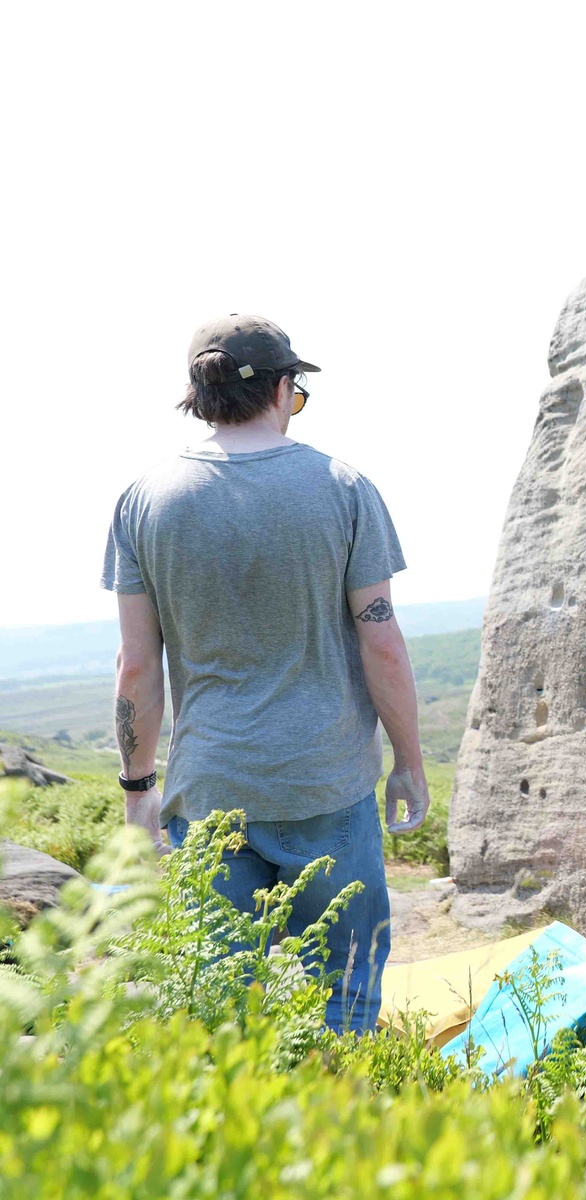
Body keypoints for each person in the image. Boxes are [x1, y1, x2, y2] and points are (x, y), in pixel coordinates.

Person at [102, 314, 431, 1032]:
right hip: (326, 783)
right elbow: (382, 643)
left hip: (210, 789)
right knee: (343, 996)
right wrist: (408, 761)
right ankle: (344, 1128)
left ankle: (241, 1139)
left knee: (222, 1010)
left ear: (198, 396)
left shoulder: (144, 501)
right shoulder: (343, 487)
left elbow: (136, 667)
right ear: (283, 388)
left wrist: (137, 790)